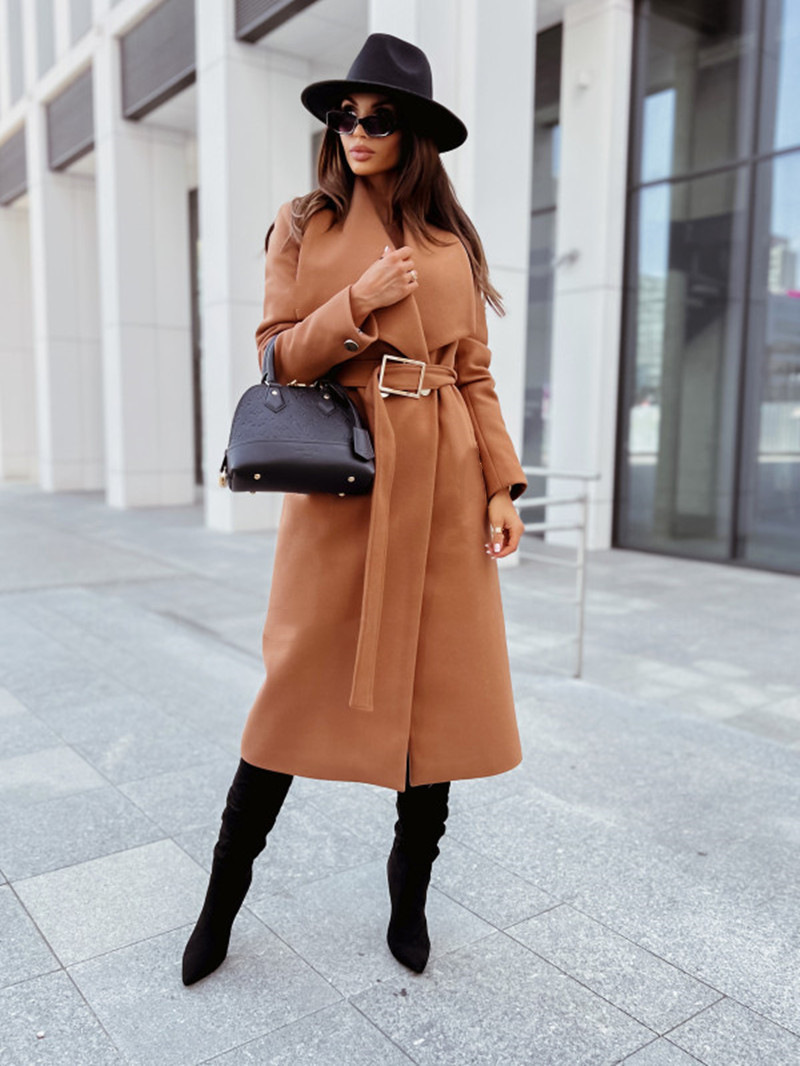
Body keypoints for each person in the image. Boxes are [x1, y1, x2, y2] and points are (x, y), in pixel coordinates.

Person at [181, 32, 527, 987]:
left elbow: (475, 372)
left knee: (435, 702)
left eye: (379, 118)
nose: (358, 130)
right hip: (350, 483)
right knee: (292, 691)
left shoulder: (453, 241)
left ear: (413, 133)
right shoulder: (304, 222)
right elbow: (275, 356)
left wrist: (500, 484)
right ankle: (218, 907)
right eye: (346, 115)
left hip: (445, 482)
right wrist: (358, 303)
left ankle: (409, 903)